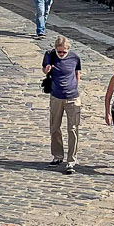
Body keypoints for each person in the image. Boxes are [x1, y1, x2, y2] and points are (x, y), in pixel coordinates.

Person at [42, 34, 82, 172]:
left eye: (64, 52)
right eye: (59, 51)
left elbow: (77, 73)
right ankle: (58, 156)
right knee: (54, 127)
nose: (61, 54)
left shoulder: (74, 57)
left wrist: (74, 86)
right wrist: (47, 69)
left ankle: (71, 161)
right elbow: (44, 68)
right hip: (56, 96)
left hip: (72, 97)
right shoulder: (50, 55)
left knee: (73, 129)